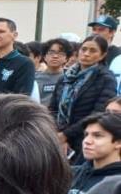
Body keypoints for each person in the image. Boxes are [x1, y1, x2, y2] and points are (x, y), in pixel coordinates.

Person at [51, 35, 119, 164]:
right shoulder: (66, 77)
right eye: (84, 49)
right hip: (57, 137)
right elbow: (53, 108)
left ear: (102, 55)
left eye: (93, 51)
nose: (86, 54)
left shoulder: (105, 78)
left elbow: (98, 114)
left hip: (84, 138)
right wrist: (57, 134)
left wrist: (66, 135)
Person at [58, 112, 121, 194]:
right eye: (86, 135)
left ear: (118, 143)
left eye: (97, 136)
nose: (87, 141)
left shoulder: (117, 185)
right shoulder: (71, 172)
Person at [87, 15, 120, 93]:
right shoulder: (85, 52)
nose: (96, 33)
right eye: (94, 29)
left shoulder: (118, 55)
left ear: (112, 32)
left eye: (101, 29)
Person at [36, 38, 71, 106]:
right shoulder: (35, 78)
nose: (55, 56)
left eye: (60, 53)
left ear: (66, 58)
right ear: (45, 57)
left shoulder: (70, 78)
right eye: (51, 53)